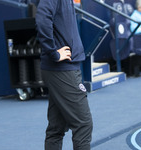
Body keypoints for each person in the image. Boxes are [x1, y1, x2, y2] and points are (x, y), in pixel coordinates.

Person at [35, 0, 93, 150]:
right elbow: (42, 19)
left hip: (63, 69)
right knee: (83, 124)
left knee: (56, 127)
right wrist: (53, 53)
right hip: (62, 69)